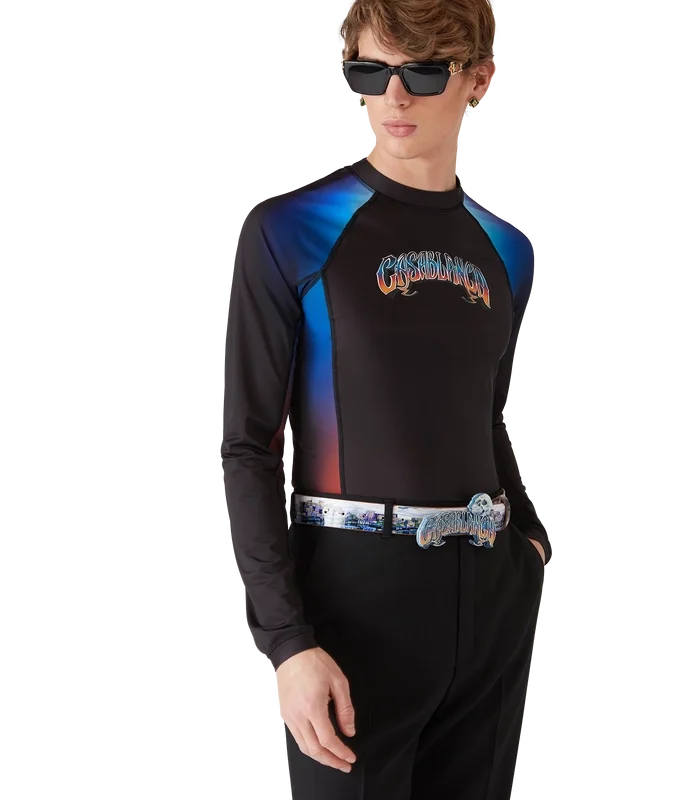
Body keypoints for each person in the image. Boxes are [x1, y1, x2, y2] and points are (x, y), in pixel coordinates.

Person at [221, 1, 553, 797]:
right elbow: (249, 445)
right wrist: (286, 642)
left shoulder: (506, 250)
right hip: (354, 603)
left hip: (491, 599)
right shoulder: (291, 230)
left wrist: (531, 543)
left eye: (424, 73)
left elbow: (485, 416)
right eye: (370, 72)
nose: (393, 96)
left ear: (479, 80)